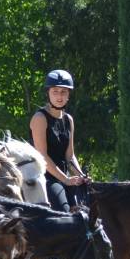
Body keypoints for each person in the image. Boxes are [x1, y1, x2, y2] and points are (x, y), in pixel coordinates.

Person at [29, 69, 91, 211]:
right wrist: (66, 180)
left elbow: (69, 156)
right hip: (44, 178)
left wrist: (81, 176)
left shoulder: (69, 120)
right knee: (64, 212)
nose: (59, 96)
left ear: (68, 95)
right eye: (55, 91)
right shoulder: (40, 118)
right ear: (48, 93)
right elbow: (42, 156)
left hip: (64, 177)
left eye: (64, 92)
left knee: (89, 207)